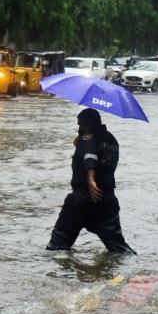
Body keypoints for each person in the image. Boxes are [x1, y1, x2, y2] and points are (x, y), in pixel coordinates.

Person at [46, 108, 135, 254]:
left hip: (82, 198)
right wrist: (79, 146)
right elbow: (101, 159)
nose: (79, 128)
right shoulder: (111, 139)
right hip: (106, 200)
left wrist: (90, 179)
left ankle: (57, 274)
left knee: (58, 245)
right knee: (119, 248)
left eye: (80, 125)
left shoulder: (88, 137)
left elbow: (90, 157)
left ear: (89, 123)